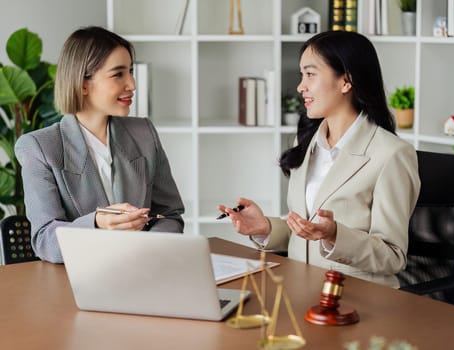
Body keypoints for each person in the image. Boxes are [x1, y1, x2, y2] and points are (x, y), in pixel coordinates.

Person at [218, 31, 421, 288]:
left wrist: (335, 235)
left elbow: (393, 257)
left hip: (356, 299)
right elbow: (306, 232)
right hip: (300, 290)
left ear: (346, 81)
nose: (300, 86)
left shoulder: (391, 154)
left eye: (310, 74)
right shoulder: (307, 142)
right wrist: (265, 228)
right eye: (302, 75)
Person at [15, 26, 185, 263]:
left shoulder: (144, 133)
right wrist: (97, 223)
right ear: (83, 84)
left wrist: (149, 248)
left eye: (131, 72)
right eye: (118, 74)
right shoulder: (39, 147)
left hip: (143, 270)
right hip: (79, 281)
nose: (132, 84)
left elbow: (170, 215)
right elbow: (45, 241)